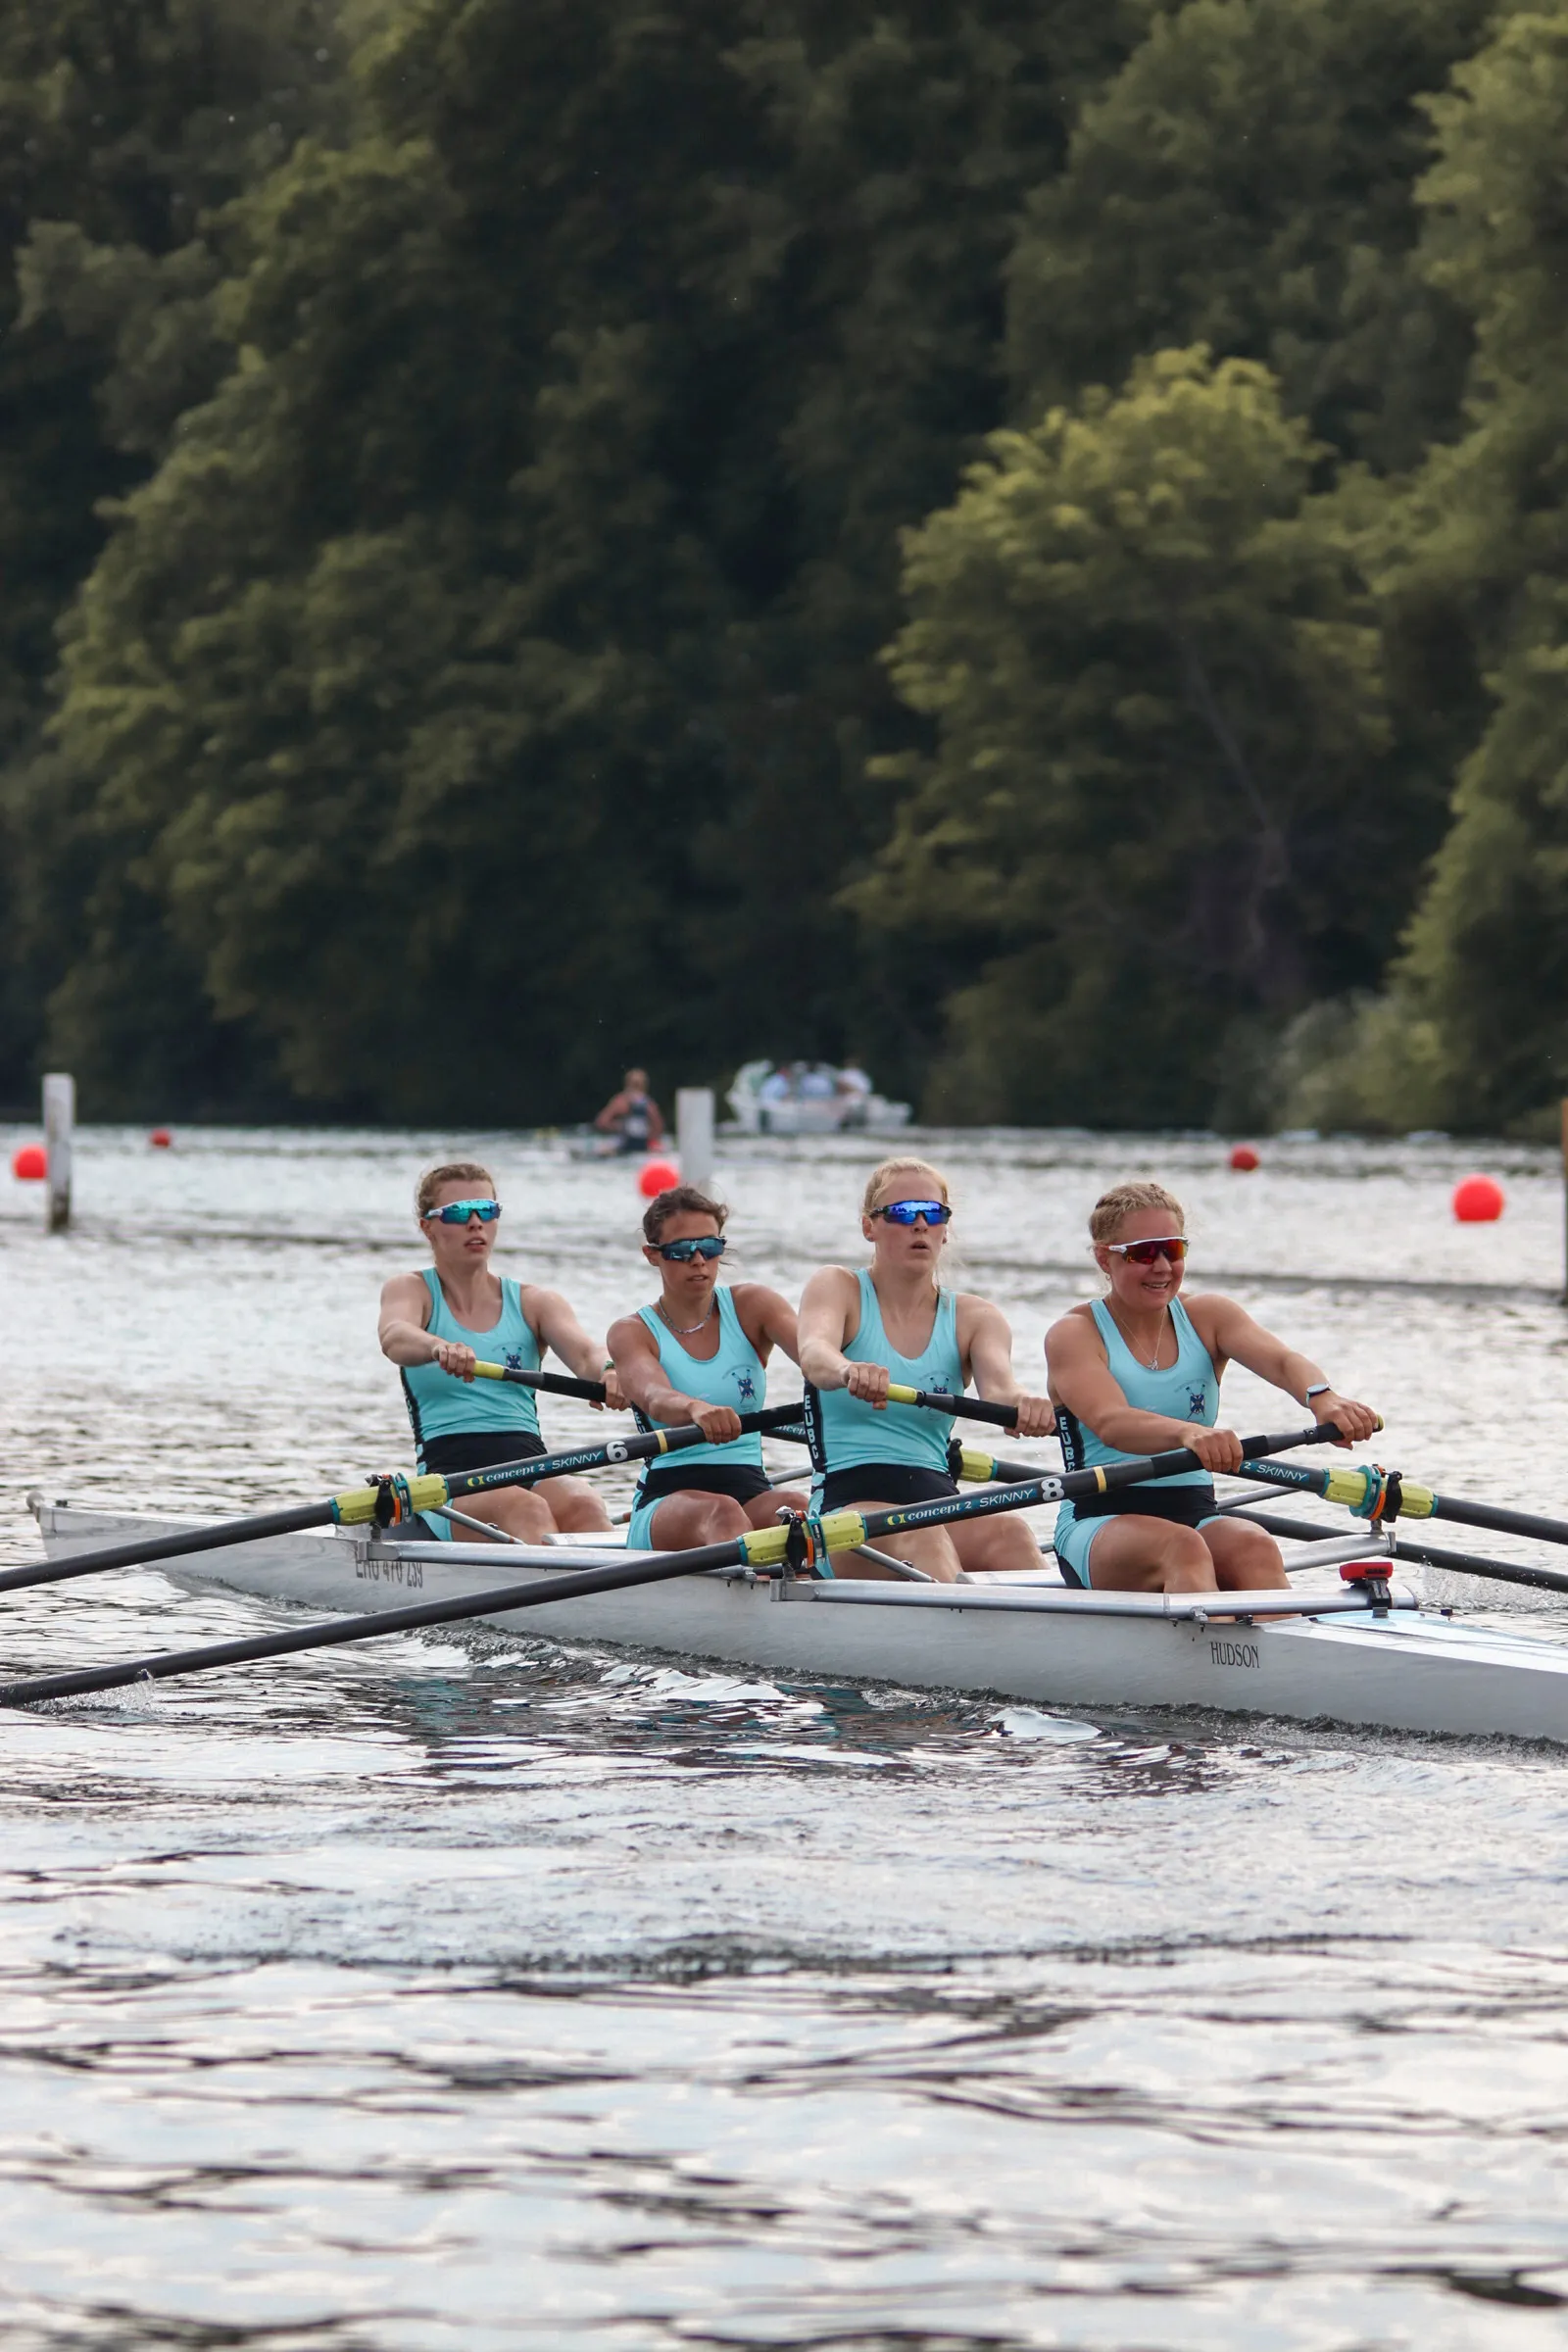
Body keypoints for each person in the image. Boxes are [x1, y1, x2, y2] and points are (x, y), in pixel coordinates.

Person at [1045, 1179, 1381, 1593]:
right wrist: (1189, 1432)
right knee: (1182, 1547)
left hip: (1195, 1511)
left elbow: (1281, 1360)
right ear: (1103, 1259)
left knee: (1253, 1544)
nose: (1162, 1267)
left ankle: (1284, 1649)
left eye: (1173, 1249)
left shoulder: (1209, 1316)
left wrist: (1322, 1397)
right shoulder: (1075, 1334)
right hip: (1097, 1519)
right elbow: (1111, 1422)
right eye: (1143, 1253)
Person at [796, 1157, 1055, 1581]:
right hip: (846, 1515)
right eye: (901, 1212)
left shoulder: (975, 1316)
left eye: (933, 1213)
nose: (920, 1224)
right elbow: (814, 1352)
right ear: (869, 1227)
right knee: (926, 1537)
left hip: (939, 1501)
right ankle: (963, 1638)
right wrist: (848, 1371)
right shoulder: (838, 1287)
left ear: (944, 1229)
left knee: (1011, 1531)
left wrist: (1026, 1404)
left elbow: (1000, 1392)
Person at [379, 1161, 617, 1541]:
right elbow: (394, 1336)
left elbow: (587, 1355)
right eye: (459, 1213)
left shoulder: (535, 1302)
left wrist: (609, 1372)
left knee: (584, 1504)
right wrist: (438, 1346)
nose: (476, 1223)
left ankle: (623, 1595)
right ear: (428, 1226)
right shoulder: (412, 1290)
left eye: (487, 1210)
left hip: (532, 1467)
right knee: (525, 1508)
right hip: (450, 1483)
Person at [608, 1186, 804, 1549]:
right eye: (682, 1251)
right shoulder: (631, 1332)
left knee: (798, 1508)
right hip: (668, 1497)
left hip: (750, 1488)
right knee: (722, 1513)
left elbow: (817, 1356)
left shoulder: (753, 1307)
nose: (698, 1260)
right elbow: (655, 1396)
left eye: (710, 1248)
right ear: (653, 1255)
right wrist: (695, 1408)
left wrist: (852, 1374)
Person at [593, 1068, 665, 1153]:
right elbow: (602, 1122)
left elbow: (602, 1122)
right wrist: (620, 1126)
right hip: (625, 1144)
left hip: (637, 1145)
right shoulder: (646, 1104)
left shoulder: (646, 1104)